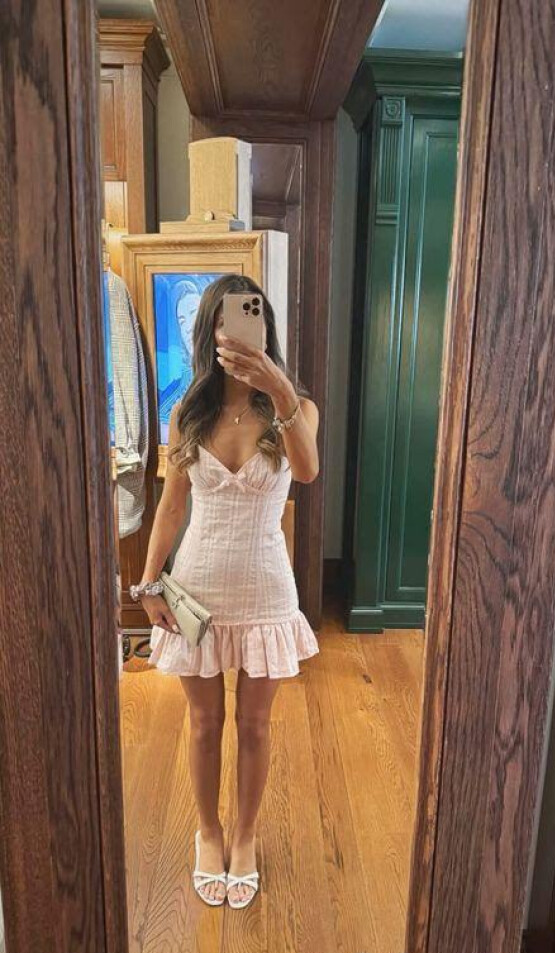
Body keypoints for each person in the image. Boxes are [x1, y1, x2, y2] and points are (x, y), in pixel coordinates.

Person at [130, 273, 320, 909]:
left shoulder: (296, 408)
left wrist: (278, 386)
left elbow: (307, 471)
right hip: (199, 587)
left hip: (266, 590)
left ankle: (245, 834)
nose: (232, 330)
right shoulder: (188, 413)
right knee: (205, 721)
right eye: (222, 319)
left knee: (256, 725)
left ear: (265, 327)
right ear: (208, 332)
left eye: (245, 316)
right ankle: (208, 832)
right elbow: (170, 506)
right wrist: (148, 582)